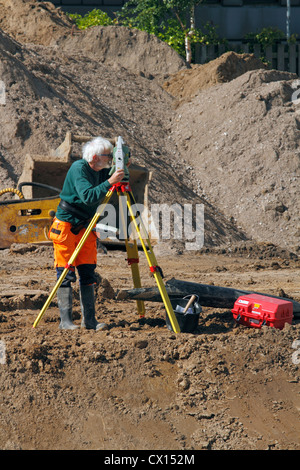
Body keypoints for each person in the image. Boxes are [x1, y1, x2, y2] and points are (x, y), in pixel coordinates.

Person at [48, 136, 125, 331]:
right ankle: (65, 321)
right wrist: (110, 182)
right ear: (94, 158)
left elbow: (116, 176)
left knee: (87, 271)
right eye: (108, 157)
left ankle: (89, 320)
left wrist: (123, 165)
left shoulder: (99, 169)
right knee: (66, 272)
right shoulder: (79, 169)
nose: (110, 160)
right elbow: (88, 196)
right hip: (66, 226)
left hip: (86, 226)